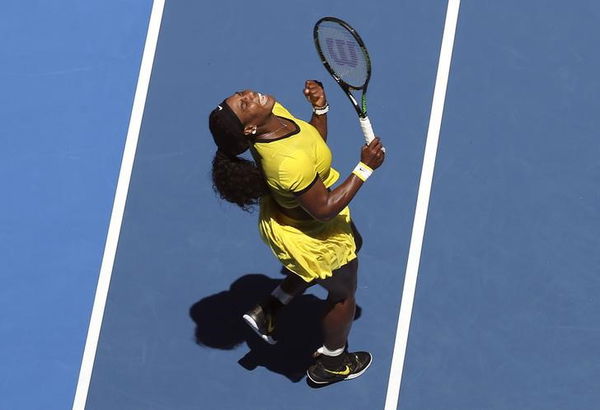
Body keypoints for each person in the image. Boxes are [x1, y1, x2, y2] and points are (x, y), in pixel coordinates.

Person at [208, 80, 385, 385]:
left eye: (241, 94)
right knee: (343, 297)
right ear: (249, 129)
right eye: (244, 104)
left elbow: (312, 147)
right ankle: (332, 362)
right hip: (311, 233)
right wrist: (364, 168)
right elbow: (325, 208)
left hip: (295, 212)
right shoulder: (287, 164)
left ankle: (272, 307)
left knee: (355, 242)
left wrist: (320, 109)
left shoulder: (272, 113)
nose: (249, 95)